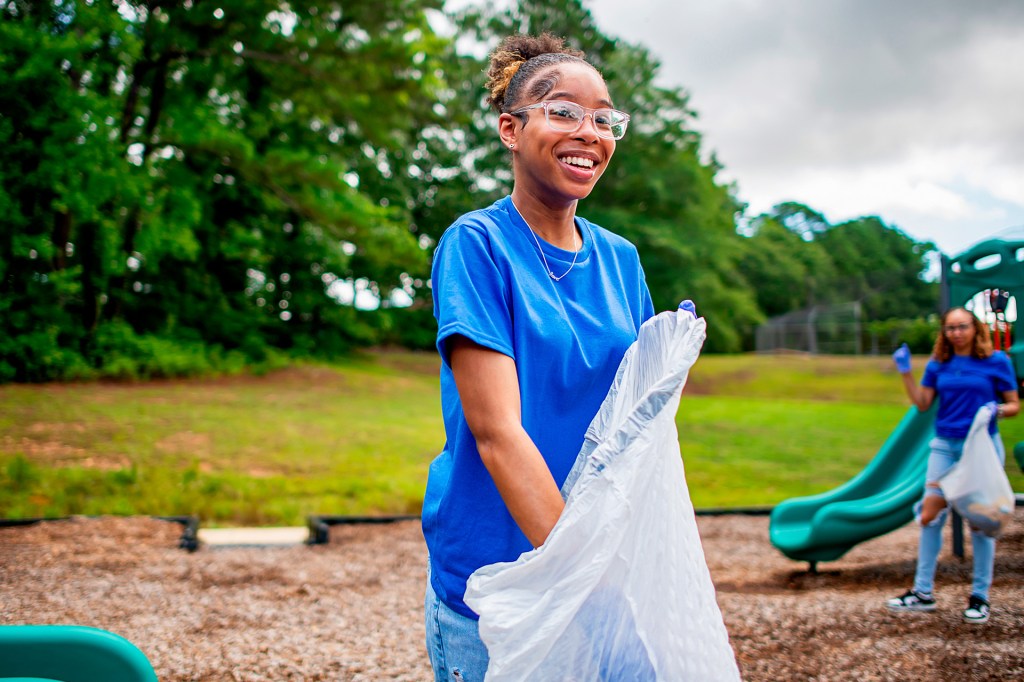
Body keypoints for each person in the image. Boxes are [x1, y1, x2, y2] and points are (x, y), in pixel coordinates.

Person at [421, 33, 656, 680]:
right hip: (499, 581)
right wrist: (578, 577)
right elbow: (497, 434)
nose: (590, 131)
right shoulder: (477, 244)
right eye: (562, 111)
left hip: (602, 574)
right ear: (510, 129)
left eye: (604, 118)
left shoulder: (622, 259)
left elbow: (633, 426)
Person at [886, 306, 1019, 624]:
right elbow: (922, 404)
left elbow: (1014, 404)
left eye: (962, 327)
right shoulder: (939, 364)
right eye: (950, 328)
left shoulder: (996, 362)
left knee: (980, 522)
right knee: (930, 516)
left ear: (975, 328)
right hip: (944, 446)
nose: (956, 333)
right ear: (943, 333)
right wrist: (905, 371)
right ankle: (922, 592)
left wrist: (996, 410)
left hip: (981, 448)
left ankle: (980, 597)